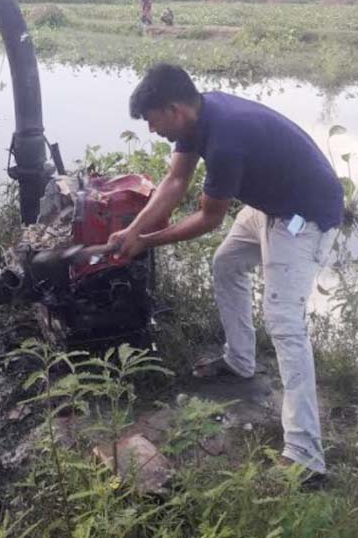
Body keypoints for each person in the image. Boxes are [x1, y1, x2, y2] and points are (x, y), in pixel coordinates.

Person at [108, 63, 344, 480]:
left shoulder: (227, 138)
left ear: (174, 108)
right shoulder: (195, 119)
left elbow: (206, 220)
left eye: (151, 120)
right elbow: (174, 182)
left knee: (285, 323)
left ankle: (306, 457)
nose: (150, 130)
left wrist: (144, 242)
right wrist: (132, 228)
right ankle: (240, 361)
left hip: (303, 218)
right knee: (227, 264)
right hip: (272, 206)